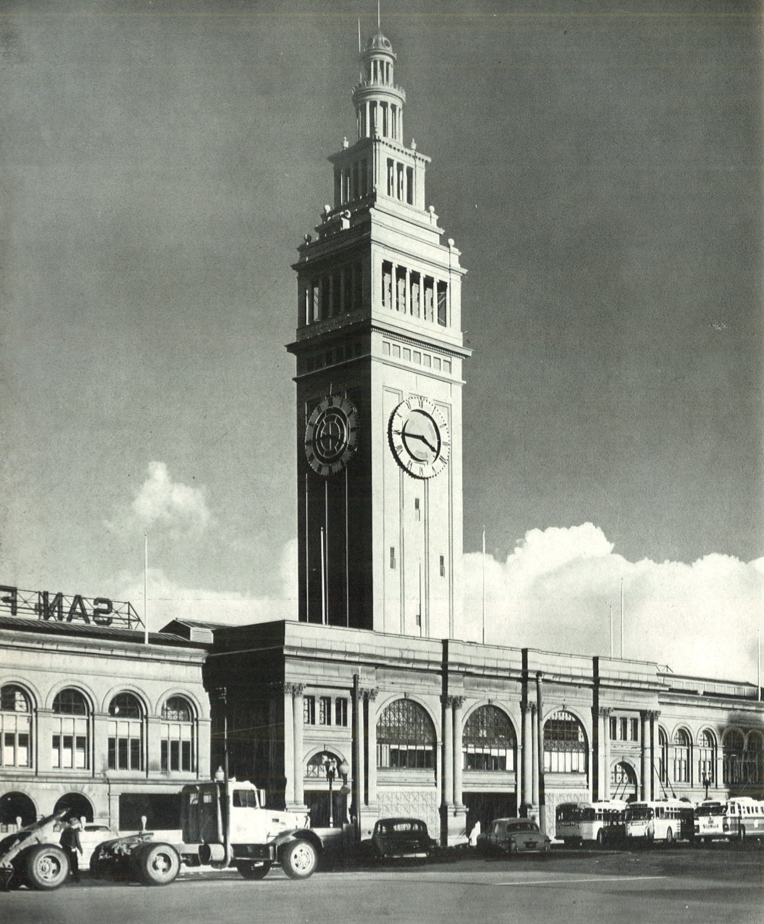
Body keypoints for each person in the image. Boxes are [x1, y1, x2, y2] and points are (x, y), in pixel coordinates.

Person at [59, 818, 83, 883]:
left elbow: (60, 841)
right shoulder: (75, 832)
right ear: (76, 825)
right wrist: (80, 849)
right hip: (72, 850)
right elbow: (77, 842)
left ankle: (67, 879)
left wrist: (66, 846)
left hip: (65, 850)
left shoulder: (65, 831)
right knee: (75, 865)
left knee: (67, 864)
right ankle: (76, 879)